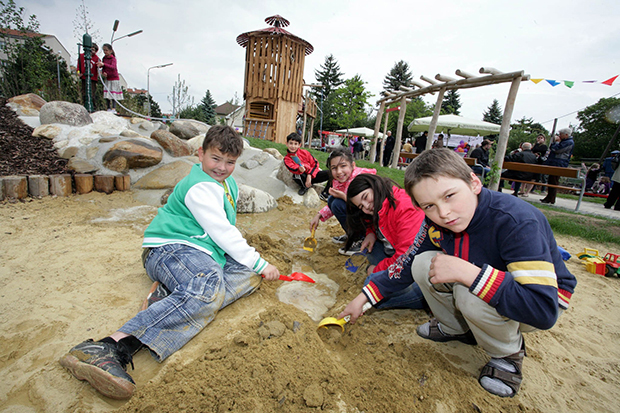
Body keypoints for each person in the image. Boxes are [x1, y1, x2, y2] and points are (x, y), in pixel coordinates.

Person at [59, 126, 281, 399]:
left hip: (200, 253)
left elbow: (223, 232)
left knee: (247, 274)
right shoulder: (200, 187)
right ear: (200, 154)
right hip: (169, 248)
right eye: (215, 158)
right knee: (209, 288)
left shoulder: (226, 184)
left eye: (230, 162)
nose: (222, 168)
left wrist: (253, 265)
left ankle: (172, 297)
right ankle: (111, 346)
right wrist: (261, 263)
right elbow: (224, 232)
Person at [339, 148, 577, 398]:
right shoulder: (435, 223)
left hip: (541, 299)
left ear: (474, 182)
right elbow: (407, 264)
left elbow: (543, 310)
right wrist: (364, 297)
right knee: (422, 262)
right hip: (492, 283)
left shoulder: (516, 221)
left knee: (467, 290)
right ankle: (454, 327)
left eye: (450, 196)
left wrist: (470, 275)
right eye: (429, 206)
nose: (443, 213)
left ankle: (507, 354)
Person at [344, 174, 427, 310]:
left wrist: (376, 270)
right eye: (361, 206)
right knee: (371, 251)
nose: (366, 207)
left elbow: (405, 258)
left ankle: (421, 298)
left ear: (375, 185)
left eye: (365, 197)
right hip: (398, 255)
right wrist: (370, 233)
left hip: (416, 268)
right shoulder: (381, 202)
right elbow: (374, 221)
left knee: (371, 285)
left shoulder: (405, 207)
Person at [310, 149, 376, 255]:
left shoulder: (358, 179)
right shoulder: (339, 181)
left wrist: (343, 196)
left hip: (372, 219)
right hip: (362, 214)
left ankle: (359, 238)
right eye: (334, 168)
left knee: (337, 203)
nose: (339, 171)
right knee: (332, 200)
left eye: (343, 166)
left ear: (352, 165)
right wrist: (318, 215)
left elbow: (363, 205)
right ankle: (352, 234)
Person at [283, 132, 330, 198]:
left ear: (299, 145)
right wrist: (299, 169)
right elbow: (292, 168)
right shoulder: (287, 158)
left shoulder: (305, 153)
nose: (293, 146)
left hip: (312, 175)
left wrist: (309, 174)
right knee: (297, 175)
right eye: (291, 143)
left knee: (331, 173)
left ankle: (326, 193)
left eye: (295, 144)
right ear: (287, 144)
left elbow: (315, 163)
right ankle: (304, 186)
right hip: (302, 177)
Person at [541, 128, 574, 204]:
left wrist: (555, 143)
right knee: (551, 180)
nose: (559, 136)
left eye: (561, 134)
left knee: (554, 181)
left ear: (566, 135)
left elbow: (556, 150)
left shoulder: (568, 142)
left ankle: (551, 198)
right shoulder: (564, 142)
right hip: (556, 162)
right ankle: (549, 197)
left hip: (559, 163)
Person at [96, 43, 123, 113]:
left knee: (113, 93)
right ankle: (108, 108)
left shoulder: (113, 59)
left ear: (110, 51)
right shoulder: (104, 58)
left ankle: (114, 108)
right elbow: (104, 67)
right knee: (107, 93)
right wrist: (103, 71)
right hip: (108, 78)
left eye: (106, 50)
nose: (105, 52)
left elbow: (113, 67)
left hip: (114, 78)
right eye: (104, 50)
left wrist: (104, 64)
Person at [77, 43, 99, 109]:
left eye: (93, 50)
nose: (92, 52)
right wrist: (79, 73)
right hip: (84, 77)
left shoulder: (96, 58)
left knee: (92, 94)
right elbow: (78, 67)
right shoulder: (81, 56)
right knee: (84, 93)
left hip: (93, 78)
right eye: (91, 49)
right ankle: (84, 107)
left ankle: (93, 107)